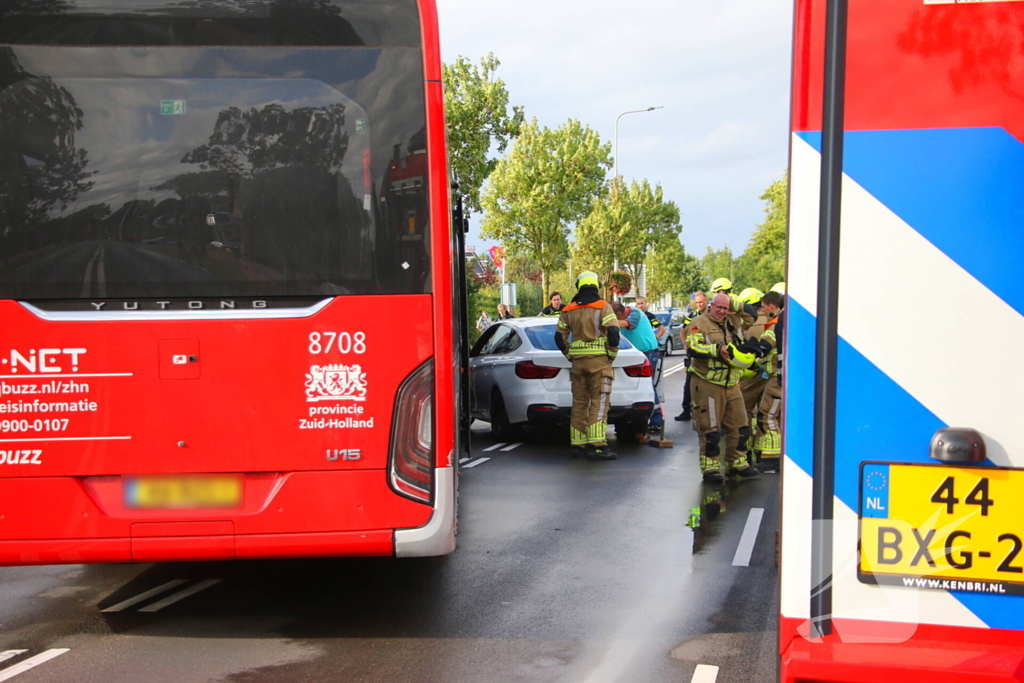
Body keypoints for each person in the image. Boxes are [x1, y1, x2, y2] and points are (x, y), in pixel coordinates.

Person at [686, 292, 761, 482]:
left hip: (732, 384)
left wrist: (733, 304)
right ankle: (710, 468)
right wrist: (716, 350)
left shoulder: (734, 320)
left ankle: (737, 463)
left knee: (740, 426)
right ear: (710, 305)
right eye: (718, 307)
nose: (722, 311)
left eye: (725, 308)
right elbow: (693, 348)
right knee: (710, 429)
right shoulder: (698, 323)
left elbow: (752, 314)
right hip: (708, 383)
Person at [555, 272, 621, 461]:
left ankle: (578, 445)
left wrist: (569, 354)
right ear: (596, 286)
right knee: (599, 403)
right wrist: (612, 354)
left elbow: (559, 338)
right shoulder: (603, 306)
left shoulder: (568, 309)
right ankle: (597, 445)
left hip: (578, 364)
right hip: (599, 362)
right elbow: (614, 332)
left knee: (580, 403)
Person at [611, 301, 663, 433]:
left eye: (614, 317)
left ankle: (657, 421)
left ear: (619, 314)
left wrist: (605, 322)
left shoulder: (635, 313)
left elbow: (624, 324)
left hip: (648, 353)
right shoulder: (625, 314)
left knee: (649, 386)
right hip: (636, 355)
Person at [750, 290, 785, 469]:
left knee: (767, 415)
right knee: (773, 415)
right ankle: (765, 454)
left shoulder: (775, 325)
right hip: (776, 376)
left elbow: (764, 346)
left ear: (772, 306)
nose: (761, 312)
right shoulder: (783, 321)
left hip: (777, 379)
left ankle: (772, 459)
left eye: (763, 308)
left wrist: (750, 350)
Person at [675, 291, 708, 421]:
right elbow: (682, 331)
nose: (699, 305)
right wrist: (685, 344)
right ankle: (686, 410)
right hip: (693, 355)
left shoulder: (711, 315)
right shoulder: (692, 316)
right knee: (689, 384)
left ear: (706, 302)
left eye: (701, 302)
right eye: (697, 302)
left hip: (707, 354)